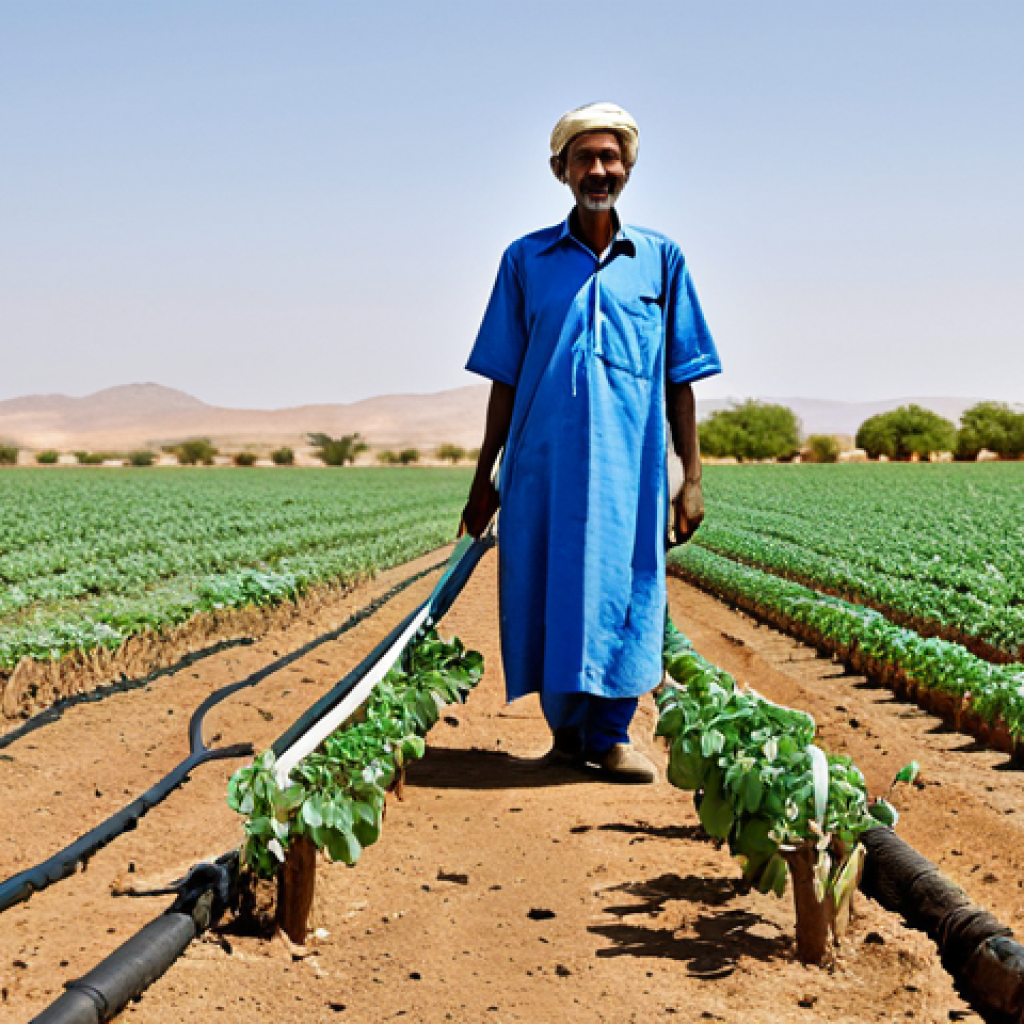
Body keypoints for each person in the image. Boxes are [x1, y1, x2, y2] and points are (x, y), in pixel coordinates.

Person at [461, 102, 721, 783]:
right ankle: (567, 735)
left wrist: (690, 476)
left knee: (627, 590)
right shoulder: (525, 260)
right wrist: (483, 477)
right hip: (541, 469)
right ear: (561, 171)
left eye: (610, 158)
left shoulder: (660, 260)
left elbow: (682, 378)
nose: (598, 170)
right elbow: (505, 379)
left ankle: (611, 734)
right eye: (585, 159)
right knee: (544, 587)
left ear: (627, 169)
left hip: (626, 474)